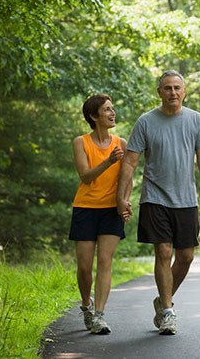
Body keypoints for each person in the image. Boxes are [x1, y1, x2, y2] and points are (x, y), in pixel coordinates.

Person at [117, 70, 200, 336]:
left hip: (185, 200)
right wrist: (122, 196)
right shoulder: (146, 122)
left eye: (177, 88)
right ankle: (169, 313)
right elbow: (130, 161)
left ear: (184, 91)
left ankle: (162, 301)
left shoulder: (196, 120)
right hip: (155, 197)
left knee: (186, 257)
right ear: (159, 92)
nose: (172, 92)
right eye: (167, 88)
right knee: (163, 251)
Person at [69, 94, 131, 335]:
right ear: (94, 116)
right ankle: (87, 306)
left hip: (111, 210)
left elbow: (128, 178)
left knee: (105, 261)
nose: (112, 113)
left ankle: (100, 316)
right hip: (85, 208)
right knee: (85, 267)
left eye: (112, 109)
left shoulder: (122, 143)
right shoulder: (80, 142)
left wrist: (124, 201)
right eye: (107, 110)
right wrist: (108, 161)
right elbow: (85, 176)